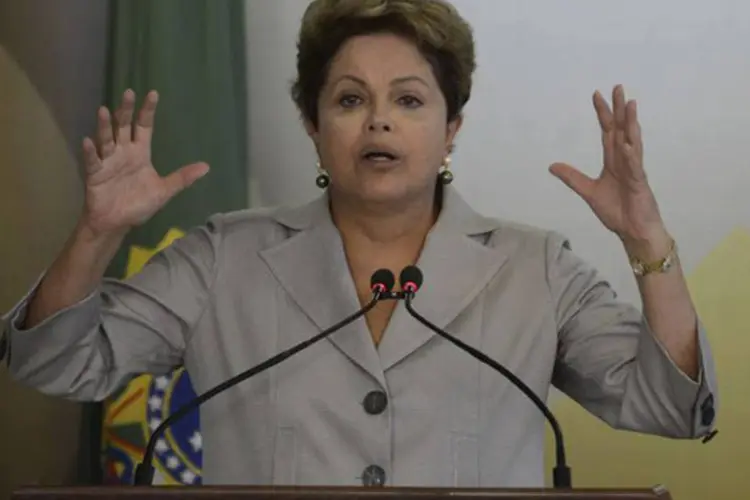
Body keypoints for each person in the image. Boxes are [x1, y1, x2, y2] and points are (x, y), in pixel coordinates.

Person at [1, 0, 717, 488]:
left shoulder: (537, 270)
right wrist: (97, 234)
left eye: (408, 100)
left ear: (451, 126)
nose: (379, 122)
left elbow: (670, 407)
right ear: (312, 123)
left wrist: (647, 242)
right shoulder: (224, 258)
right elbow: (58, 367)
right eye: (349, 99)